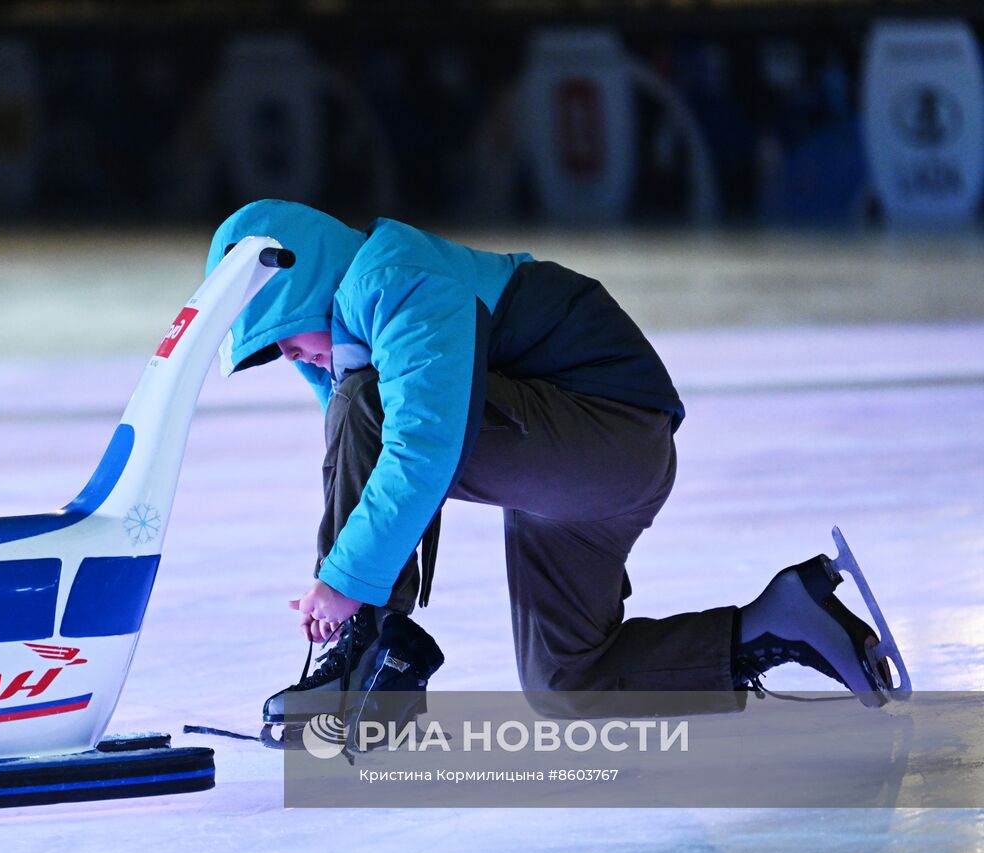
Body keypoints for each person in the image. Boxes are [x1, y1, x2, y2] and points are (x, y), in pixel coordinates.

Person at [206, 199, 897, 735]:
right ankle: (782, 620)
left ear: (300, 286)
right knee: (568, 682)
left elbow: (420, 443)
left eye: (279, 340)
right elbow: (356, 440)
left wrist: (346, 586)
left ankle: (363, 660)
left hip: (607, 432)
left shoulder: (389, 276)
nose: (289, 358)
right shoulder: (363, 331)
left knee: (372, 403)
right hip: (583, 465)